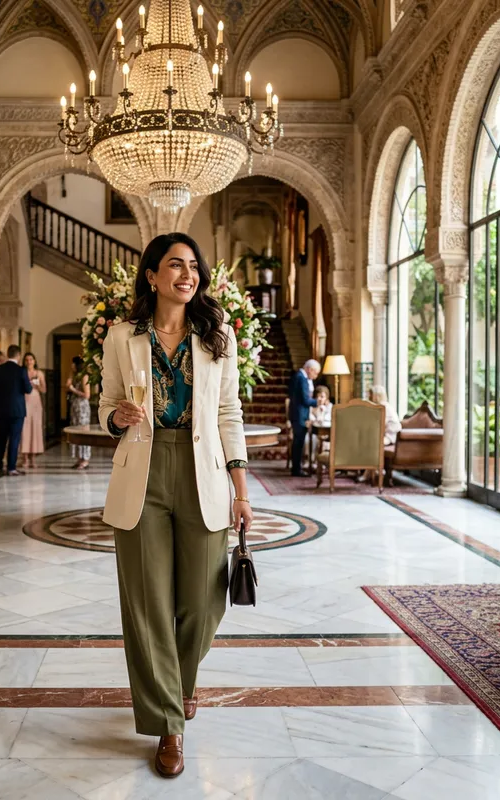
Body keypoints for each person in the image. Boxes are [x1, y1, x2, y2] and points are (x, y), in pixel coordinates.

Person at [98, 232, 252, 778]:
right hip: (142, 472)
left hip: (203, 474)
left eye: (194, 267)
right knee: (147, 604)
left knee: (205, 601)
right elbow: (105, 408)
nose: (187, 275)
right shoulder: (121, 336)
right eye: (175, 265)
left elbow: (229, 413)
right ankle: (169, 724)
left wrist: (241, 488)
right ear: (152, 275)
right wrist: (117, 417)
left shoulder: (219, 337)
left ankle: (179, 683)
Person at [0, 344, 32, 476]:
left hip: (2, 409)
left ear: (7, 354)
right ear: (18, 355)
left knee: (1, 437)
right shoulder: (21, 370)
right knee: (14, 438)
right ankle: (11, 467)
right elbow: (28, 389)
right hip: (17, 410)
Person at [288, 358, 321, 476]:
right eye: (316, 373)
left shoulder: (299, 376)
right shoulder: (301, 378)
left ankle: (297, 468)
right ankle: (296, 469)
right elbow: (305, 400)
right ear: (310, 369)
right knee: (298, 443)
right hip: (299, 415)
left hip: (297, 414)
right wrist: (318, 402)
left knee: (299, 443)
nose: (316, 376)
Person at [21, 352, 46, 468]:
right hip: (24, 400)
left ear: (34, 361)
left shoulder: (39, 373)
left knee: (35, 428)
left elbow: (44, 389)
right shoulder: (22, 372)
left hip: (35, 401)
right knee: (24, 429)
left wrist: (36, 385)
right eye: (26, 360)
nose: (29, 362)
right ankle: (24, 458)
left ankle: (33, 458)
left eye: (31, 359)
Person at [67, 356, 91, 470]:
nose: (71, 366)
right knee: (76, 432)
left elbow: (87, 395)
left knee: (84, 432)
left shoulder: (85, 377)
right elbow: (67, 385)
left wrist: (73, 390)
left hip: (82, 408)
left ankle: (85, 458)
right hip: (75, 406)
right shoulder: (76, 376)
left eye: (72, 363)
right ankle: (79, 458)